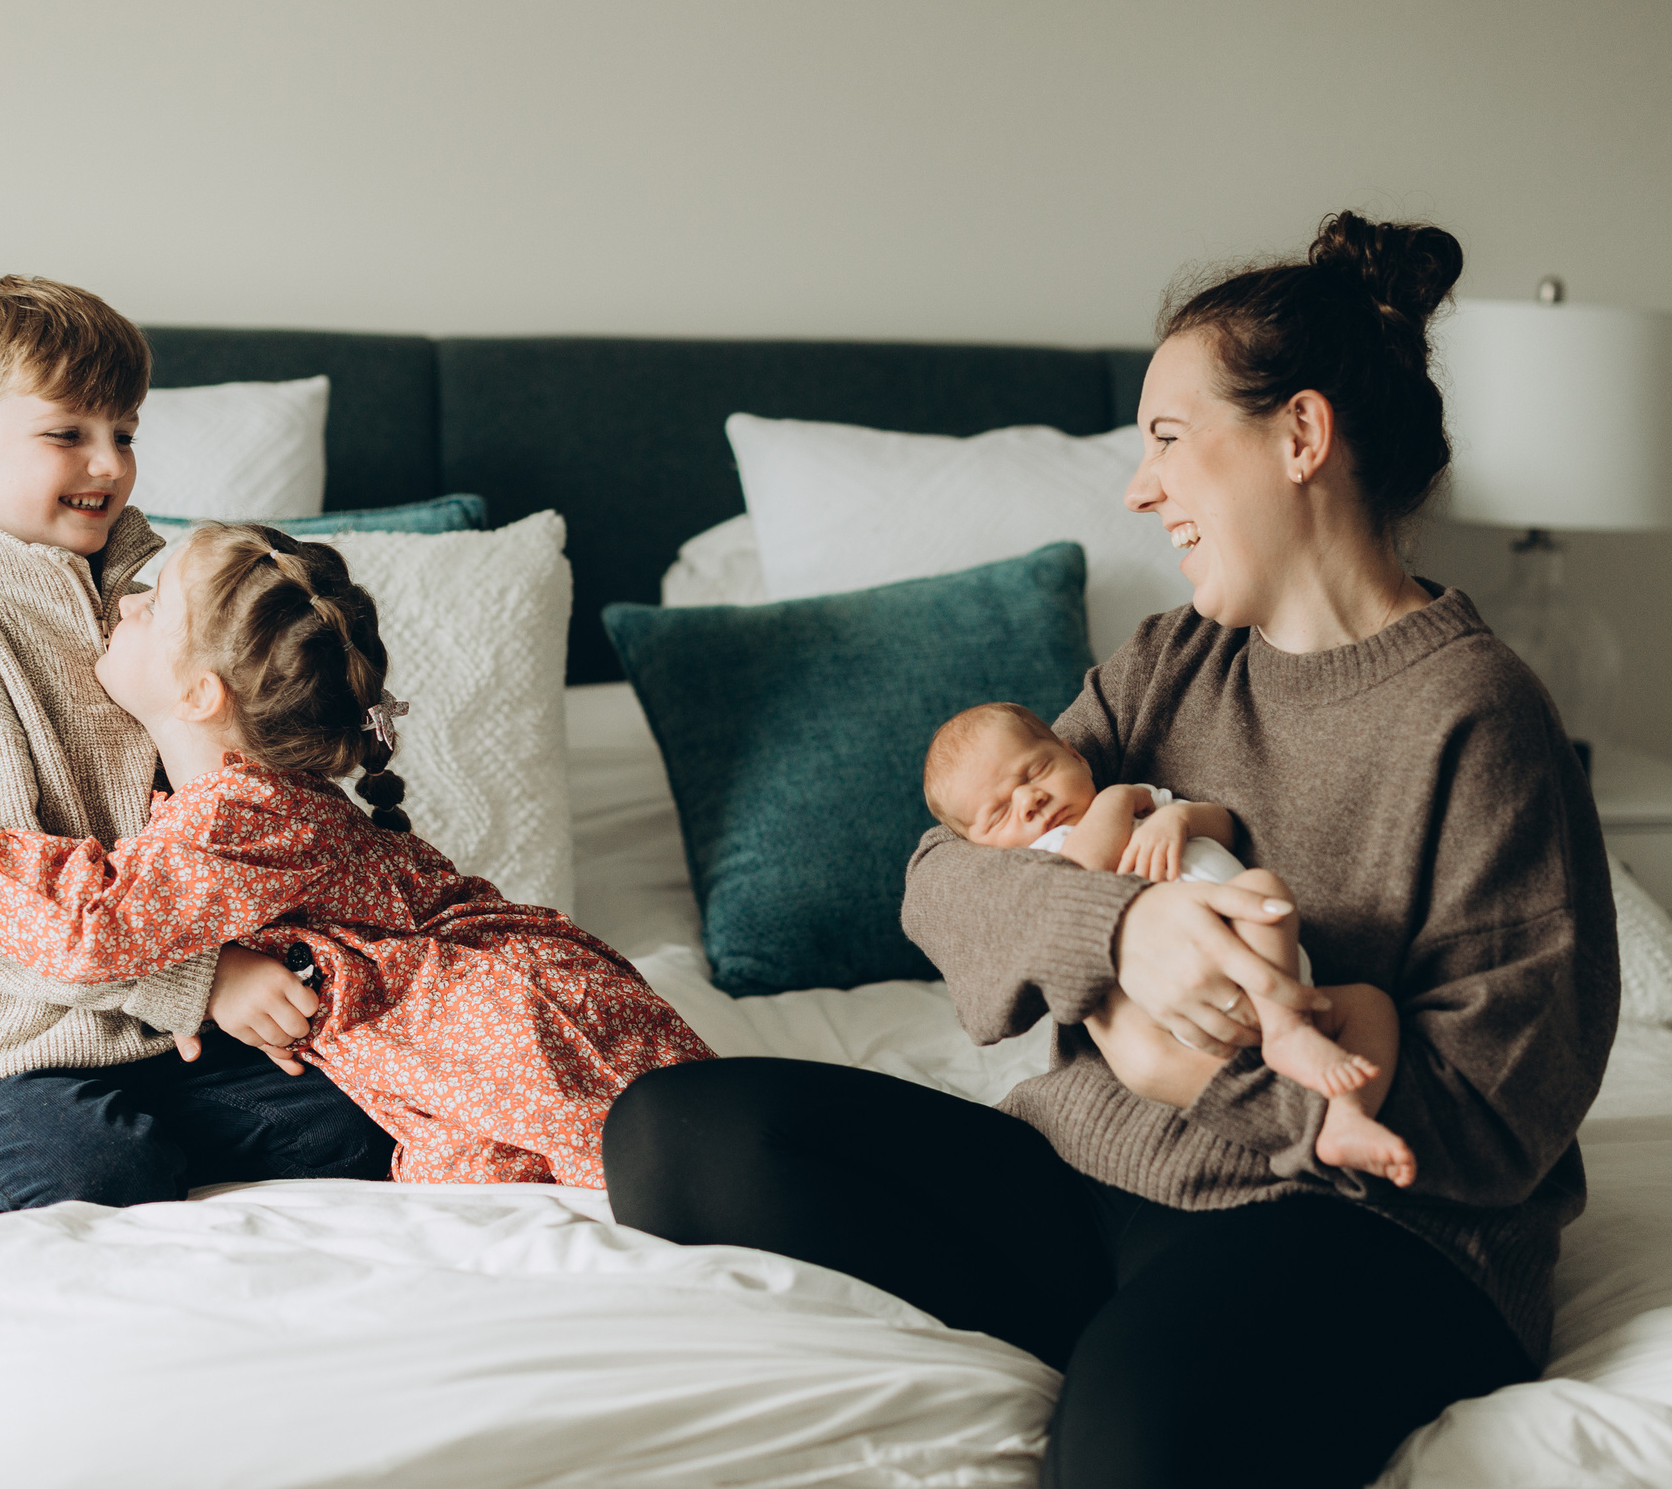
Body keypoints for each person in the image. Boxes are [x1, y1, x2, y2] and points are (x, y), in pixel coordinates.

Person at [603, 212, 1620, 1489]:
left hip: (1370, 1233)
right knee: (670, 1131)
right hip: (1091, 1185)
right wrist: (1122, 936)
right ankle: (1159, 1339)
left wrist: (1178, 1067)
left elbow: (1493, 1120)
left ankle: (1169, 1360)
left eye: (1168, 441)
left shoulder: (1477, 716)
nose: (1140, 490)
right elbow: (942, 877)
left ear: (1300, 437)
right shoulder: (1167, 664)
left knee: (1127, 1448)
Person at [0, 522, 713, 1187]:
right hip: (480, 1000)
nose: (129, 603)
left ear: (199, 695)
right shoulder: (237, 799)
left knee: (632, 1155)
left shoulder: (241, 811)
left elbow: (90, 927)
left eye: (154, 605)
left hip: (497, 1003)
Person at [0, 276, 394, 1213]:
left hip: (170, 1039)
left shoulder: (160, 609)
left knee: (379, 1107)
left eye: (125, 431)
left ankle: (176, 1129)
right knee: (98, 1167)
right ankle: (99, 1141)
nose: (109, 463)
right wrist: (205, 980)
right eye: (67, 433)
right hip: (15, 1037)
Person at [922, 701, 1413, 1186]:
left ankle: (1343, 1118)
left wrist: (1176, 820)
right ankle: (1286, 1060)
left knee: (1367, 1003)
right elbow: (1084, 870)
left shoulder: (1146, 803)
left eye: (1035, 771)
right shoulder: (1040, 857)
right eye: (999, 812)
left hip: (1276, 972)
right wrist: (1117, 800)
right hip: (1175, 1010)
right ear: (982, 852)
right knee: (1259, 900)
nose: (1029, 801)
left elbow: (1223, 824)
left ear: (1076, 756)